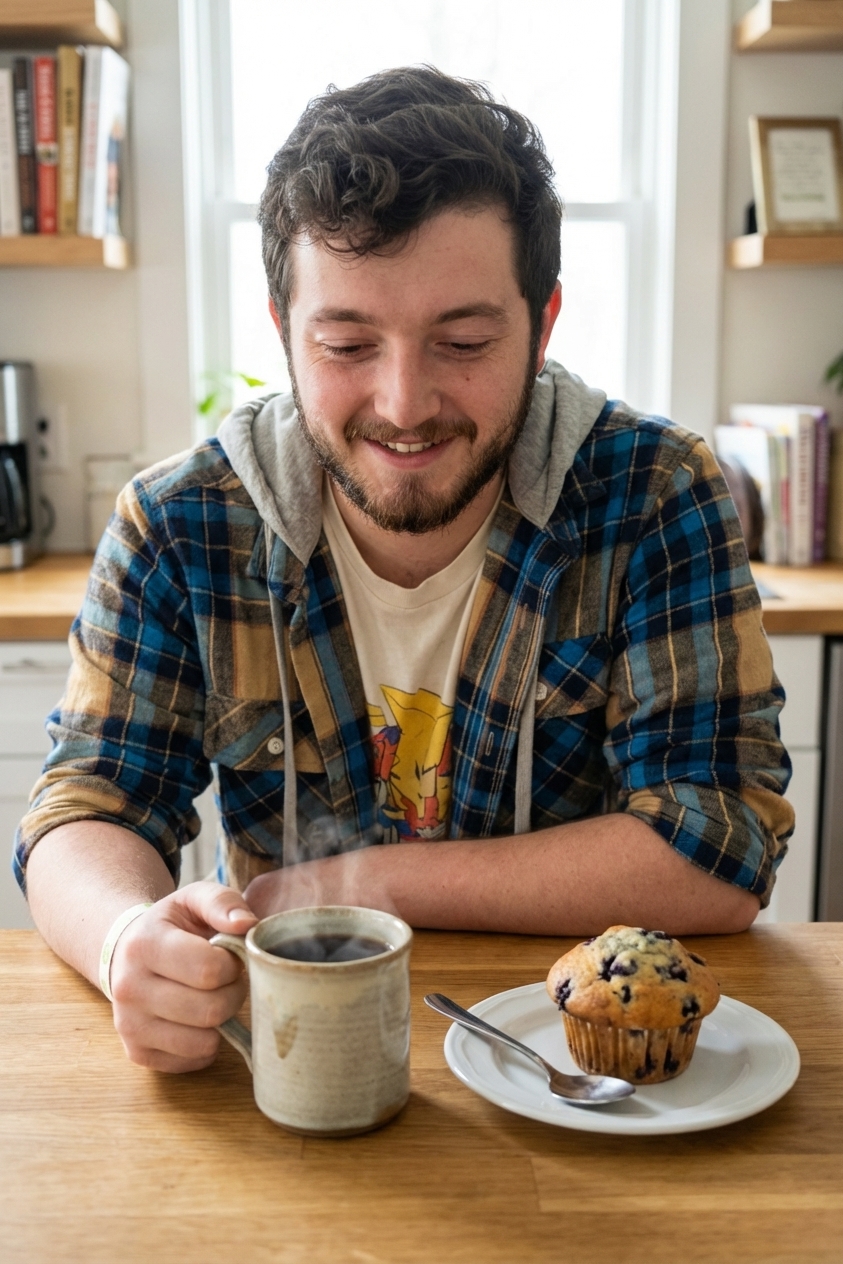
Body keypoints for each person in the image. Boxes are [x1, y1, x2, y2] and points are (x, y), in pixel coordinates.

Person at [15, 67, 793, 1074]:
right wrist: (127, 939)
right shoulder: (178, 527)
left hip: (572, 1079)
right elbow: (86, 808)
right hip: (286, 1055)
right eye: (346, 342)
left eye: (462, 340)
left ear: (544, 321)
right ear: (283, 333)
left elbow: (719, 849)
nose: (404, 402)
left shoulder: (655, 496)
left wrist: (356, 881)